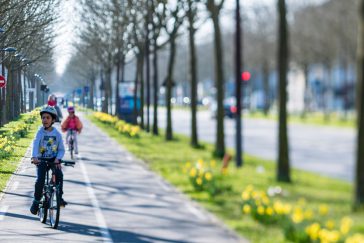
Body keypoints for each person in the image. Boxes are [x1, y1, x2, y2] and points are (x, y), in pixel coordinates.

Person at [30, 106, 67, 215]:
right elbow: (36, 144)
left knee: (59, 175)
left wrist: (58, 159)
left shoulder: (57, 135)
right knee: (40, 180)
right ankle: (36, 202)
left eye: (47, 118)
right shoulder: (40, 132)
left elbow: (61, 149)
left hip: (53, 160)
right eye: (43, 118)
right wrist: (34, 157)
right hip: (41, 160)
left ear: (53, 120)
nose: (45, 120)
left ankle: (59, 197)